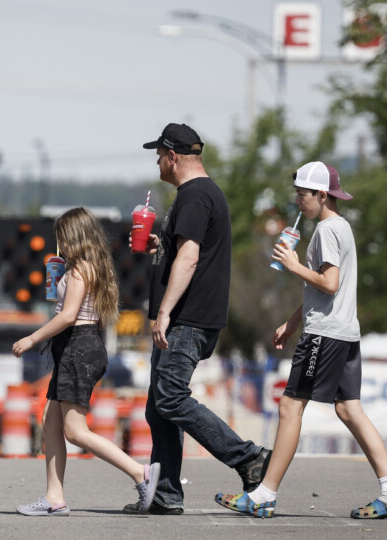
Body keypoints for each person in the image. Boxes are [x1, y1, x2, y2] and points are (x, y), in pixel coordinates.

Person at [215, 161, 387, 519]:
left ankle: (263, 496)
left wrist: (292, 265)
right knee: (348, 408)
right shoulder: (341, 227)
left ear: (322, 195)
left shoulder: (325, 230)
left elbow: (330, 283)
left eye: (302, 195)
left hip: (325, 334)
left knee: (290, 407)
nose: (298, 202)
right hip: (344, 332)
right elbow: (321, 289)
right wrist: (291, 323)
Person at [124, 123, 270, 515]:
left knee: (170, 397)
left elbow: (190, 259)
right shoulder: (201, 196)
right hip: (189, 318)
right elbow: (186, 251)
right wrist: (161, 244)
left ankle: (248, 458)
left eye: (159, 154)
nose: (156, 161)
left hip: (187, 319)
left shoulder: (194, 196)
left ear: (173, 157)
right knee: (158, 406)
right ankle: (167, 493)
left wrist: (165, 312)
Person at [13, 207, 161, 516]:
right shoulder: (82, 268)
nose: (60, 244)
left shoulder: (80, 270)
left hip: (78, 348)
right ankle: (54, 498)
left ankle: (140, 472)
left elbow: (69, 317)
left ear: (75, 237)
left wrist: (32, 338)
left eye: (62, 238)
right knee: (49, 421)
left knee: (75, 432)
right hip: (75, 347)